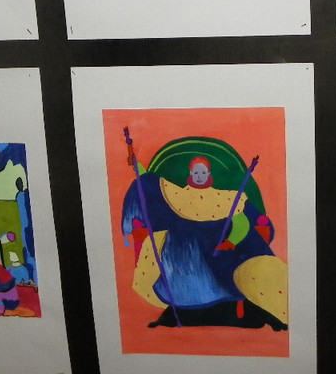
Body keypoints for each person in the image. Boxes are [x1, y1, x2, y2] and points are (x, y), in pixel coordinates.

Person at [121, 139, 288, 330]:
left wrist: (231, 241)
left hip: (220, 253)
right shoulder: (176, 194)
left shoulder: (226, 197)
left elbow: (241, 222)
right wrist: (137, 165)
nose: (199, 176)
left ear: (208, 174)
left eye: (203, 173)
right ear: (190, 174)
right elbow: (151, 183)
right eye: (196, 173)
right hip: (183, 255)